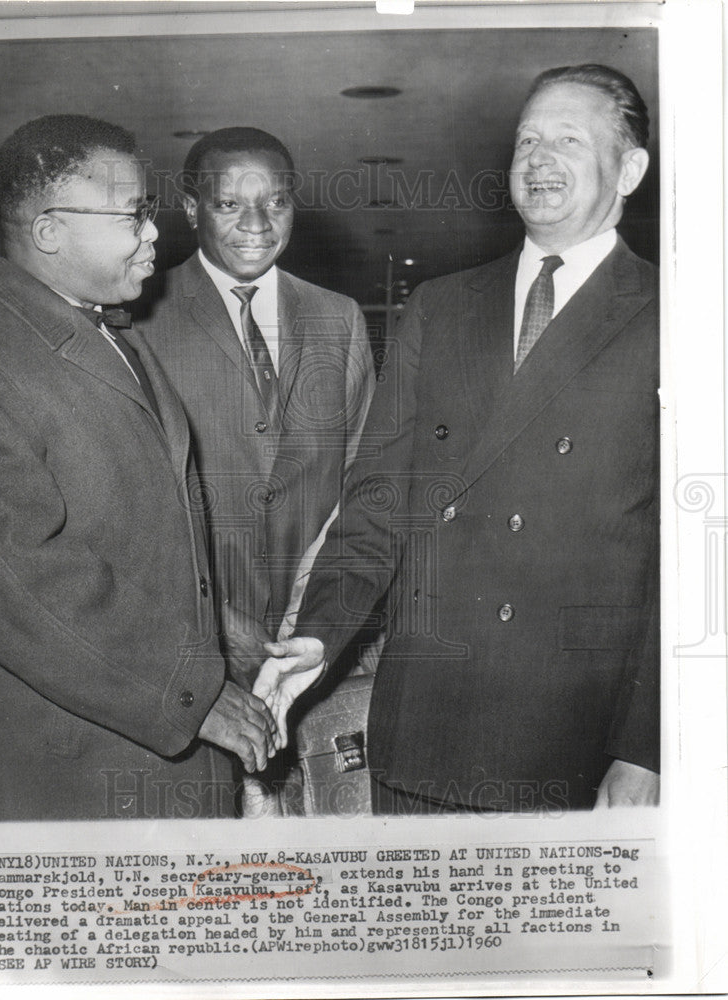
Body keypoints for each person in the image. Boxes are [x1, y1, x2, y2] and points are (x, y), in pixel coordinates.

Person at [256, 64, 660, 814]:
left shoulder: (673, 315)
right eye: (525, 139)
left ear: (628, 168)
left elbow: (687, 559)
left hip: (573, 736)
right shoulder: (441, 307)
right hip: (424, 724)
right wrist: (318, 633)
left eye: (567, 140)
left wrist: (646, 748)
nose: (537, 160)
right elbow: (375, 503)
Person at [0, 114, 276, 821]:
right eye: (135, 215)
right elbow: (14, 575)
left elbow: (127, 530)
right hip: (81, 777)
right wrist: (190, 690)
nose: (154, 234)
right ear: (50, 233)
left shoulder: (105, 331)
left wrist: (217, 625)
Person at [139, 127, 375, 682]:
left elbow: (362, 481)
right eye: (228, 204)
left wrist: (319, 618)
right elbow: (130, 509)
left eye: (275, 203)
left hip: (313, 638)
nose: (256, 226)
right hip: (189, 638)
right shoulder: (142, 319)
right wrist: (217, 625)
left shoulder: (338, 317)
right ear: (191, 209)